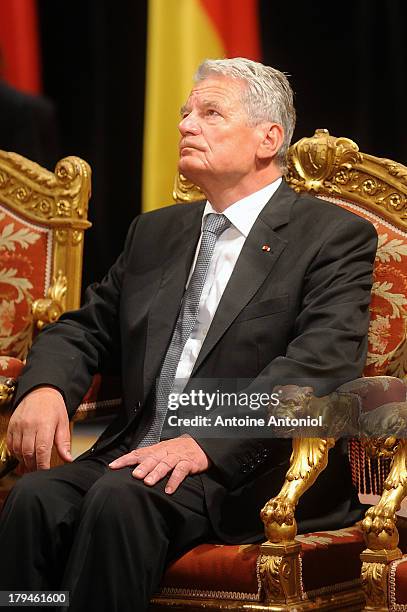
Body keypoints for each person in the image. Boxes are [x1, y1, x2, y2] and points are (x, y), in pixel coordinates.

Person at [0, 58, 377, 611]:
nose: (185, 125)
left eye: (210, 112)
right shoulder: (157, 231)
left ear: (267, 139)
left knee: (119, 501)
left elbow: (321, 365)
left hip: (251, 470)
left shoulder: (332, 236)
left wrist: (207, 440)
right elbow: (85, 328)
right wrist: (46, 388)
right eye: (184, 113)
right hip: (137, 450)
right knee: (33, 498)